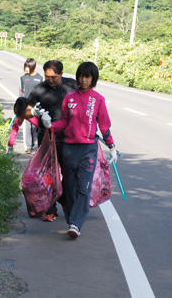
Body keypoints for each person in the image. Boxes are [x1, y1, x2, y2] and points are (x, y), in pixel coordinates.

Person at [42, 61, 117, 239]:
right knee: (69, 187)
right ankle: (72, 218)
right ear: (78, 77)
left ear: (93, 79)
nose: (84, 80)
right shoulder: (70, 98)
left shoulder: (98, 99)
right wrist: (50, 125)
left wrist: (112, 146)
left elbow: (104, 125)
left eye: (88, 77)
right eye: (81, 76)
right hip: (69, 149)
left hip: (88, 150)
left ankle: (76, 224)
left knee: (84, 187)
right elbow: (64, 122)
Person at [28, 60, 77, 222]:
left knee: (69, 175)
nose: (50, 80)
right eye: (48, 77)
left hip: (69, 138)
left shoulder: (72, 86)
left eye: (54, 77)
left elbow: (86, 102)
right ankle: (50, 209)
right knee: (48, 175)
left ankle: (67, 203)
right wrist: (33, 112)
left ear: (61, 74)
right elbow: (27, 110)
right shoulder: (39, 89)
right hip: (47, 138)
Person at [19, 58, 43, 154]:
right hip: (26, 106)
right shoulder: (23, 78)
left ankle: (34, 144)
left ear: (32, 67)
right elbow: (21, 92)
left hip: (36, 107)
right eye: (25, 67)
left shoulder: (40, 78)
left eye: (27, 67)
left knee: (34, 127)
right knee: (27, 127)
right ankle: (28, 147)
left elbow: (42, 94)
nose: (25, 69)